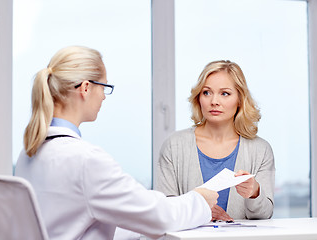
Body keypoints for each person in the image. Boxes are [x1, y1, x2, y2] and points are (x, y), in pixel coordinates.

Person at [14, 46, 218, 240]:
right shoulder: (86, 160)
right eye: (104, 87)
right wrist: (199, 200)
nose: (104, 96)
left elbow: (76, 221)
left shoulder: (29, 153)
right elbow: (159, 216)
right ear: (86, 88)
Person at [155, 60, 275, 221]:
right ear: (198, 98)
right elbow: (165, 211)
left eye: (225, 93)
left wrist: (254, 192)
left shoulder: (260, 150)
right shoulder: (174, 146)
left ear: (240, 99)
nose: (214, 101)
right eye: (206, 92)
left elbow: (265, 215)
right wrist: (198, 213)